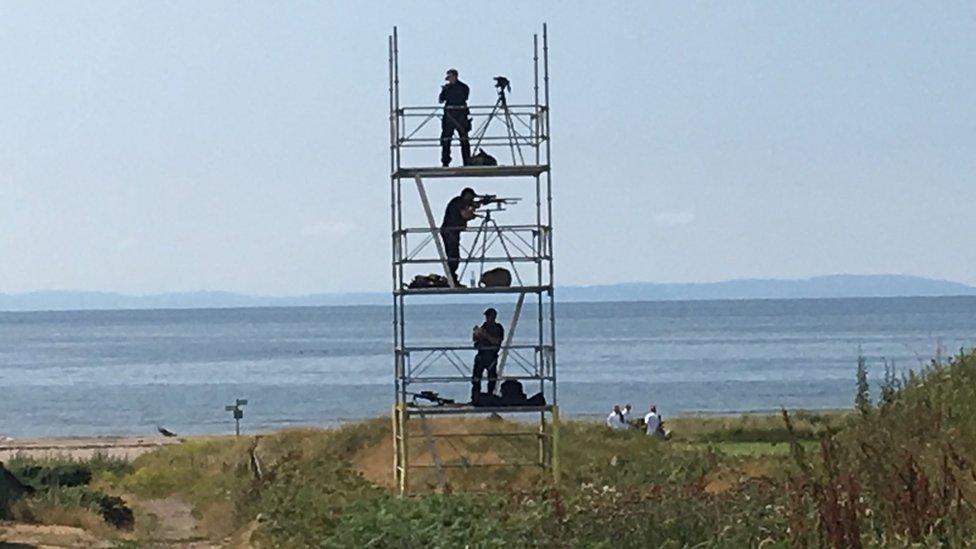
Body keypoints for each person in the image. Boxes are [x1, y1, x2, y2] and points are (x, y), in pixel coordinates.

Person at [440, 187, 478, 285]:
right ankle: (451, 278)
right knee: (453, 255)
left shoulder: (458, 202)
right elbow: (465, 215)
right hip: (450, 231)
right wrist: (472, 212)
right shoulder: (459, 202)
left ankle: (452, 278)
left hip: (452, 231)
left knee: (453, 255)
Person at [439, 68, 471, 167]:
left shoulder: (463, 87)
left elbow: (463, 98)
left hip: (460, 116)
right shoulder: (447, 88)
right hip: (449, 117)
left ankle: (467, 161)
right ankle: (445, 161)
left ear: (455, 76)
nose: (449, 79)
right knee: (446, 139)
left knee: (464, 139)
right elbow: (441, 100)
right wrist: (444, 90)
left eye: (450, 77)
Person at [472, 307, 504, 399]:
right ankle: (475, 397)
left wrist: (486, 336)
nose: (487, 319)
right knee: (476, 378)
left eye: (488, 316)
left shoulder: (498, 328)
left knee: (492, 379)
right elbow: (476, 341)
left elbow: (497, 341)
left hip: (491, 356)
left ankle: (490, 397)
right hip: (481, 355)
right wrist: (476, 334)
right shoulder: (484, 326)